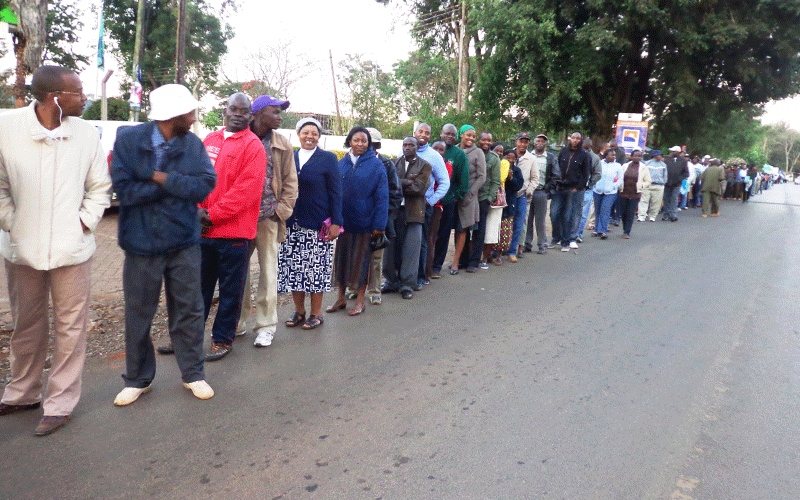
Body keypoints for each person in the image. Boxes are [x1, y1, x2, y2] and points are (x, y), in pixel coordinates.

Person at [0, 65, 111, 436]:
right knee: (26, 325)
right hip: (21, 248)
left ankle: (60, 401)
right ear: (55, 98)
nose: (84, 97)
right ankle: (23, 392)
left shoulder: (85, 134)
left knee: (70, 328)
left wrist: (83, 224)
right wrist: (13, 222)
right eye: (78, 92)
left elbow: (100, 188)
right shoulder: (7, 127)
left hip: (73, 250)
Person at [111, 83, 216, 407]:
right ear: (174, 115)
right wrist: (173, 187)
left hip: (183, 242)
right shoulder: (129, 140)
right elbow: (125, 192)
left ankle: (193, 374)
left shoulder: (193, 144)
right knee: (139, 314)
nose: (195, 117)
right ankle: (138, 379)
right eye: (190, 112)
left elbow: (204, 187)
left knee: (189, 310)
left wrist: (159, 178)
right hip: (140, 244)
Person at [199, 93, 267, 361]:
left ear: (250, 115)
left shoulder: (253, 146)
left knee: (230, 292)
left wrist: (211, 215)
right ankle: (189, 337)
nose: (238, 114)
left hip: (234, 233)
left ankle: (222, 339)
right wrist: (196, 212)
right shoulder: (210, 140)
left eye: (244, 110)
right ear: (224, 111)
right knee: (199, 289)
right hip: (204, 231)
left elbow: (246, 191)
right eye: (233, 109)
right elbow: (198, 177)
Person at [236, 95, 298, 347]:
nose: (280, 117)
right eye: (276, 112)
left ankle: (265, 326)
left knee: (268, 273)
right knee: (238, 274)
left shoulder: (282, 143)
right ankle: (236, 323)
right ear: (259, 113)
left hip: (268, 218)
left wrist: (280, 211)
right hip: (239, 217)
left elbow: (291, 182)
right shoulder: (240, 137)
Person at [278, 118, 342, 329]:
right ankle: (299, 311)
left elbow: (336, 192)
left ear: (319, 137)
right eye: (306, 132)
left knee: (315, 269)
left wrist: (336, 222)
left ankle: (316, 313)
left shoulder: (328, 159)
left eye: (314, 133)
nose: (310, 136)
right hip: (292, 223)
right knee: (295, 269)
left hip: (317, 224)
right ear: (298, 134)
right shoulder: (290, 156)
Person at [326, 126, 388, 316]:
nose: (360, 144)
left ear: (369, 144)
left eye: (364, 141)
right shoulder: (341, 163)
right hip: (344, 222)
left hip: (365, 223)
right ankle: (341, 298)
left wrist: (379, 225)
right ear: (349, 142)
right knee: (342, 261)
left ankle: (360, 301)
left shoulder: (376, 165)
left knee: (361, 262)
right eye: (356, 140)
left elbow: (382, 197)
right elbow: (333, 192)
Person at [382, 137, 431, 299]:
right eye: (405, 145)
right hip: (394, 211)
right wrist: (406, 182)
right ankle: (391, 281)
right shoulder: (392, 163)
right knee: (390, 249)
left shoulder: (425, 165)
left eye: (411, 145)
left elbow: (419, 188)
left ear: (417, 147)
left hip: (414, 213)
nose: (407, 147)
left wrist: (399, 184)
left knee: (411, 249)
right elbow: (387, 186)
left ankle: (407, 285)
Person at [362, 129, 401, 305]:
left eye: (372, 144)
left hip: (378, 218)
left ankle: (374, 290)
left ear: (377, 145)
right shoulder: (351, 161)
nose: (367, 147)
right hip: (357, 218)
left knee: (376, 257)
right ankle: (353, 288)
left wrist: (384, 215)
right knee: (356, 256)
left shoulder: (386, 164)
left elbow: (395, 193)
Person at [410, 123, 449, 287]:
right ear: (414, 132)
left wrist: (430, 201)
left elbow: (444, 182)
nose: (424, 135)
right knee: (404, 241)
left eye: (427, 133)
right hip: (405, 205)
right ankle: (401, 277)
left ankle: (420, 276)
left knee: (422, 241)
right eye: (421, 131)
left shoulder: (434, 156)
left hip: (423, 205)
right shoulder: (405, 149)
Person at [431, 124, 469, 277]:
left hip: (447, 202)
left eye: (453, 134)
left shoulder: (459, 154)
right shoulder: (431, 148)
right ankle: (425, 265)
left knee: (443, 234)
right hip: (429, 201)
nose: (450, 137)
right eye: (447, 133)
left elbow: (463, 181)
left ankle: (436, 267)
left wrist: (454, 197)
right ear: (441, 133)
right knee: (429, 234)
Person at [450, 125, 486, 273]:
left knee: (462, 229)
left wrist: (471, 193)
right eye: (468, 135)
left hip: (468, 198)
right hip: (452, 197)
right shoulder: (454, 150)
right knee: (452, 229)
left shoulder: (478, 152)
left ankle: (455, 263)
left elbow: (482, 176)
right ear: (461, 135)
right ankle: (461, 260)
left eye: (473, 136)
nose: (471, 138)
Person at [551, 132, 592, 252]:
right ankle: (556, 237)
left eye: (577, 138)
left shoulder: (585, 155)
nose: (575, 140)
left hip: (574, 189)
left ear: (581, 140)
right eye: (573, 138)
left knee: (569, 216)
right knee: (554, 213)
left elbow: (586, 175)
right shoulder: (563, 151)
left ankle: (568, 240)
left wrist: (577, 188)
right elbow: (557, 168)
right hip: (560, 188)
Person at [426, 140, 454, 278]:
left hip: (436, 205)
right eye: (435, 148)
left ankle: (430, 269)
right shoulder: (425, 161)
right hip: (423, 203)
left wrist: (432, 198)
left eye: (441, 149)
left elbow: (440, 183)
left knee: (432, 238)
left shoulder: (446, 166)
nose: (437, 151)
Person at [524, 134, 556, 254]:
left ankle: (542, 244)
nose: (540, 143)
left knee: (540, 220)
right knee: (527, 219)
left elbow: (556, 175)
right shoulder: (528, 156)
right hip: (527, 192)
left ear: (545, 144)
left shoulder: (550, 157)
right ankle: (527, 244)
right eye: (538, 141)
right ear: (534, 142)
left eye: (543, 141)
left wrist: (548, 189)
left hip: (541, 192)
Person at [474, 131, 501, 270]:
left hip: (484, 198)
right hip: (470, 198)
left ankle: (477, 259)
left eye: (489, 140)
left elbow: (496, 181)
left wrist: (489, 198)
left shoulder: (494, 158)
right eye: (483, 139)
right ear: (478, 140)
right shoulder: (473, 153)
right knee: (466, 230)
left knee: (480, 230)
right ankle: (464, 259)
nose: (486, 142)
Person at [508, 133, 537, 261]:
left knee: (519, 223)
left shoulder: (531, 158)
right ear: (516, 142)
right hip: (508, 194)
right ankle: (501, 249)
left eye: (525, 142)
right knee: (506, 222)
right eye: (521, 141)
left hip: (521, 195)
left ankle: (513, 250)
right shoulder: (508, 154)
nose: (523, 144)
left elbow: (535, 178)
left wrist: (528, 191)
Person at [617, 148, 651, 239]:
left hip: (635, 194)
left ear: (641, 158)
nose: (637, 157)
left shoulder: (644, 167)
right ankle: (624, 228)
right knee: (623, 212)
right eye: (635, 156)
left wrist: (640, 186)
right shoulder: (625, 166)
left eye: (639, 156)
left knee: (630, 212)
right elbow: (619, 177)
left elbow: (648, 181)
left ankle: (627, 231)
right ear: (631, 157)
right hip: (623, 193)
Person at [574, 138, 602, 243]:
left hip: (586, 189)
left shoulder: (595, 158)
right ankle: (569, 234)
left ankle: (578, 234)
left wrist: (589, 184)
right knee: (571, 212)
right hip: (573, 188)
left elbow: (598, 174)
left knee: (583, 213)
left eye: (586, 148)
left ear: (590, 147)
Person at [591, 149, 624, 239]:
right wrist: (594, 185)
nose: (614, 157)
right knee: (597, 210)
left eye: (614, 155)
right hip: (598, 190)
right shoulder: (600, 163)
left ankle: (603, 231)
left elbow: (621, 178)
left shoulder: (617, 166)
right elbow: (593, 174)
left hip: (610, 192)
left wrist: (614, 186)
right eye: (611, 155)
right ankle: (596, 230)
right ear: (606, 156)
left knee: (605, 210)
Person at [637, 149, 666, 222]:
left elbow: (665, 176)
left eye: (660, 155)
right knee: (643, 201)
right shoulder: (646, 163)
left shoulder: (663, 165)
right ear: (654, 156)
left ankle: (652, 216)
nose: (660, 157)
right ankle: (641, 216)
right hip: (647, 185)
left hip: (659, 185)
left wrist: (663, 184)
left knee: (656, 202)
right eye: (658, 155)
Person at [662, 145, 689, 221]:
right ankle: (666, 214)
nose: (672, 153)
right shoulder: (667, 160)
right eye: (672, 151)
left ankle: (673, 215)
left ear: (678, 152)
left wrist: (679, 179)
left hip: (677, 184)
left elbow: (686, 173)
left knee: (674, 199)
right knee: (666, 199)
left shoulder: (683, 161)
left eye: (674, 151)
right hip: (667, 183)